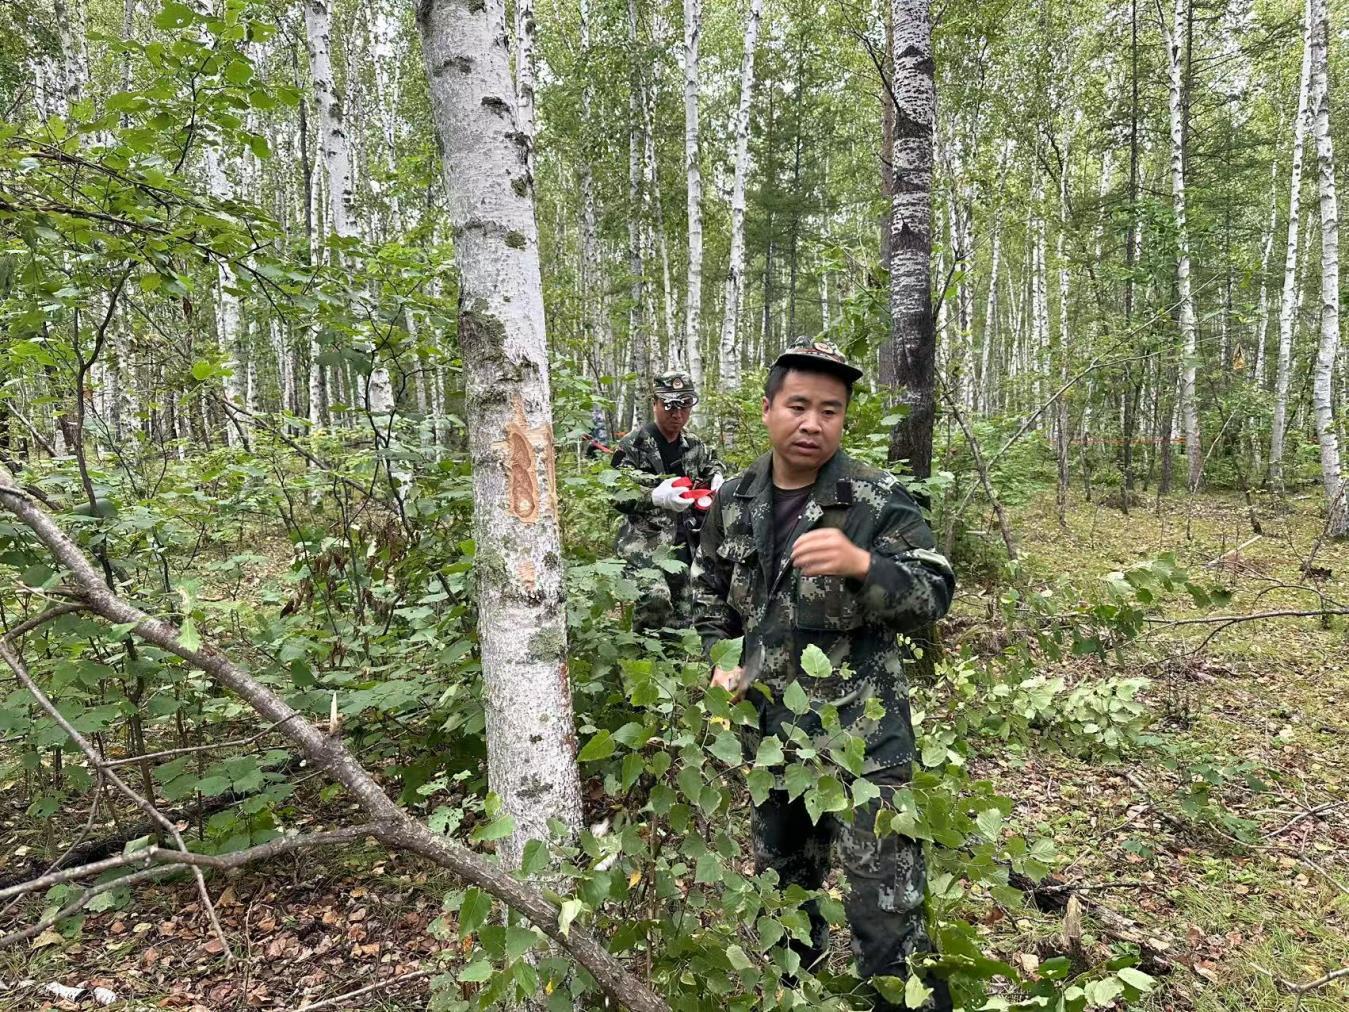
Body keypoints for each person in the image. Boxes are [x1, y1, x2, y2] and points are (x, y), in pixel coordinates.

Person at [690, 338, 955, 1010]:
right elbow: (706, 602)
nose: (812, 423)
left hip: (864, 746)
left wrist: (865, 566)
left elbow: (932, 596)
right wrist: (721, 661)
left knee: (887, 912)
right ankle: (799, 998)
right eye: (798, 406)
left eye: (829, 411)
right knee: (784, 898)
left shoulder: (873, 498)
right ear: (768, 410)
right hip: (772, 744)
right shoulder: (734, 500)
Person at [612, 370, 724, 632]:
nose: (678, 414)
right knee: (655, 599)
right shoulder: (633, 445)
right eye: (670, 406)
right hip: (643, 544)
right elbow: (616, 493)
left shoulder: (694, 444)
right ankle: (641, 652)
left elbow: (712, 464)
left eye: (685, 405)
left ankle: (672, 655)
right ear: (655, 404)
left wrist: (717, 476)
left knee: (683, 618)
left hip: (684, 542)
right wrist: (652, 497)